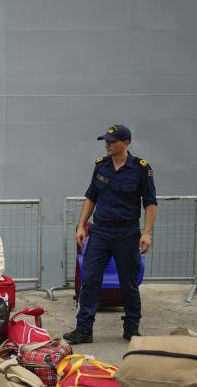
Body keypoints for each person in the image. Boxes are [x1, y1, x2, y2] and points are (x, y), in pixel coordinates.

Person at [63, 124, 157, 344]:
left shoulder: (141, 168)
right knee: (91, 278)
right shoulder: (101, 166)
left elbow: (150, 203)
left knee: (129, 282)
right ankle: (84, 329)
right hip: (101, 231)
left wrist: (147, 233)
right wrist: (80, 226)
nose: (108, 144)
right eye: (106, 141)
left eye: (112, 141)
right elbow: (91, 197)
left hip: (127, 231)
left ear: (126, 143)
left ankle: (131, 328)